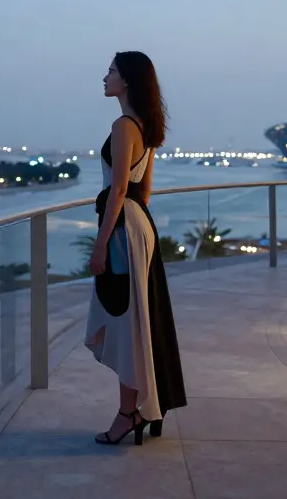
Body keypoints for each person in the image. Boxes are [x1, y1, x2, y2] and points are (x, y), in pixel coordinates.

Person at [86, 51, 187, 446]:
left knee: (124, 323)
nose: (105, 76)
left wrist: (100, 245)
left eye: (111, 70)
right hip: (138, 226)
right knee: (132, 323)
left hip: (122, 232)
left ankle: (129, 412)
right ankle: (139, 408)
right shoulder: (145, 127)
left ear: (126, 80)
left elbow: (120, 190)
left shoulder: (123, 125)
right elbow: (143, 191)